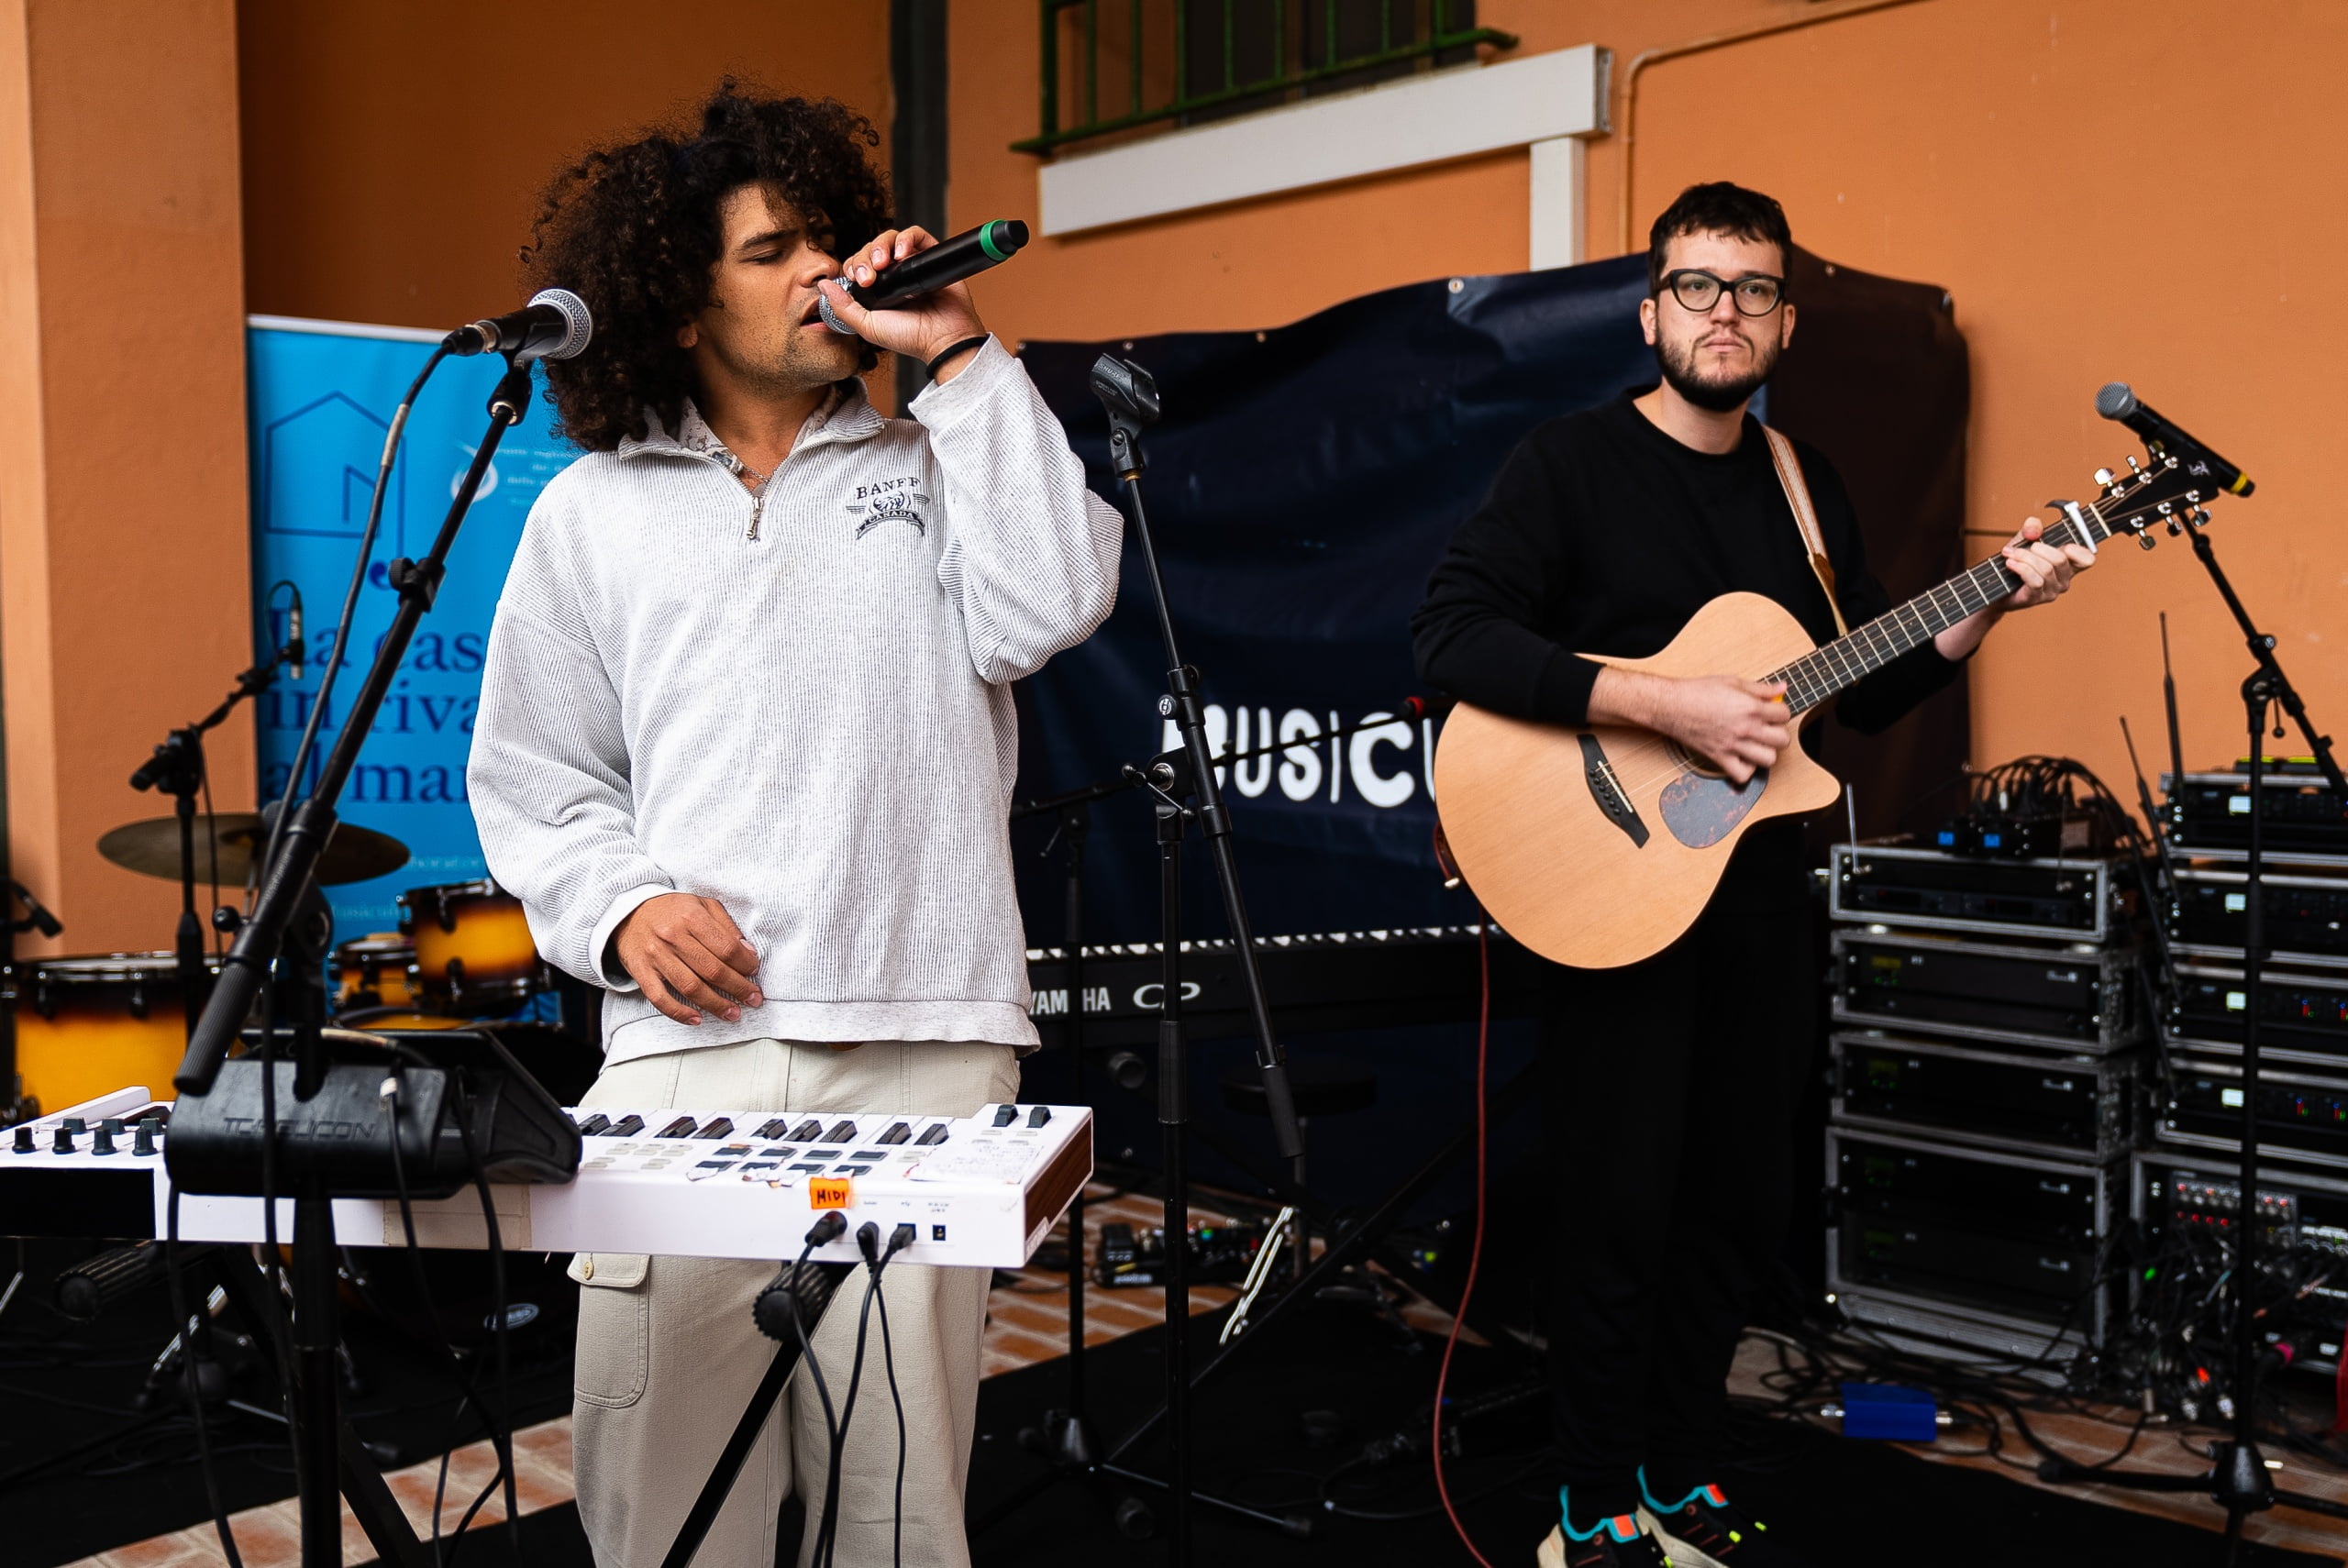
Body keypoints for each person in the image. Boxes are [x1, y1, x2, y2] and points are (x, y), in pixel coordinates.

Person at [467, 84, 1123, 1568]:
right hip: (683, 1050)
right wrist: (622, 907)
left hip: (923, 1033)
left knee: (895, 1512)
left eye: (829, 238)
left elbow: (1053, 600)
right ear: (679, 300)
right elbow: (536, 775)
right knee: (662, 1508)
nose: (823, 269)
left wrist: (960, 354)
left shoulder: (944, 456)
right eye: (772, 252)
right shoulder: (588, 513)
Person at [1411, 182, 2093, 1568]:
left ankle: (1674, 1468)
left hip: (1761, 898)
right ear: (1651, 312)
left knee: (1733, 1210)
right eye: (1699, 284)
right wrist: (1660, 702)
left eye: (1755, 289)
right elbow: (1452, 635)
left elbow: (1865, 687)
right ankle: (1590, 1504)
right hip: (1613, 897)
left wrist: (1991, 603)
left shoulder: (1804, 482)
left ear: (1785, 322)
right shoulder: (1568, 463)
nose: (1725, 311)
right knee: (1619, 1212)